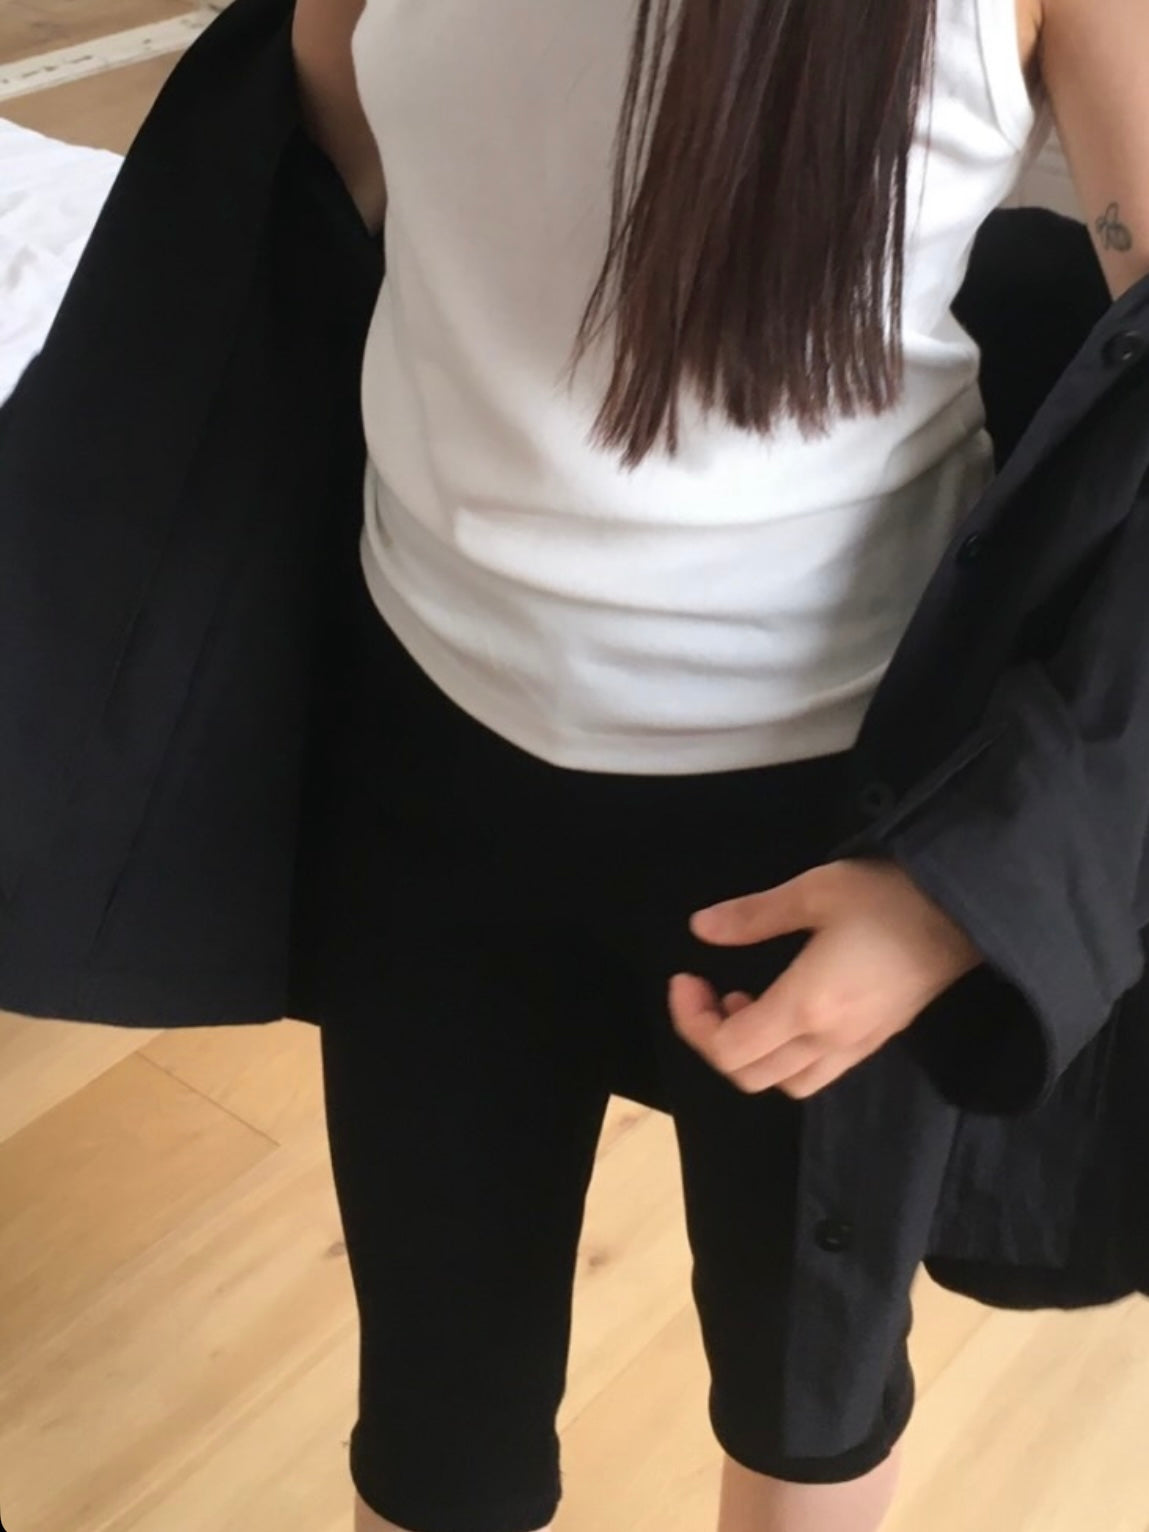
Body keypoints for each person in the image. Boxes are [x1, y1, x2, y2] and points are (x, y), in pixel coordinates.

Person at [288, 2, 1146, 1530]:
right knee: (434, 1422)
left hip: (827, 832)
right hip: (426, 754)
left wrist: (965, 885)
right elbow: (335, 93)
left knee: (806, 1406)